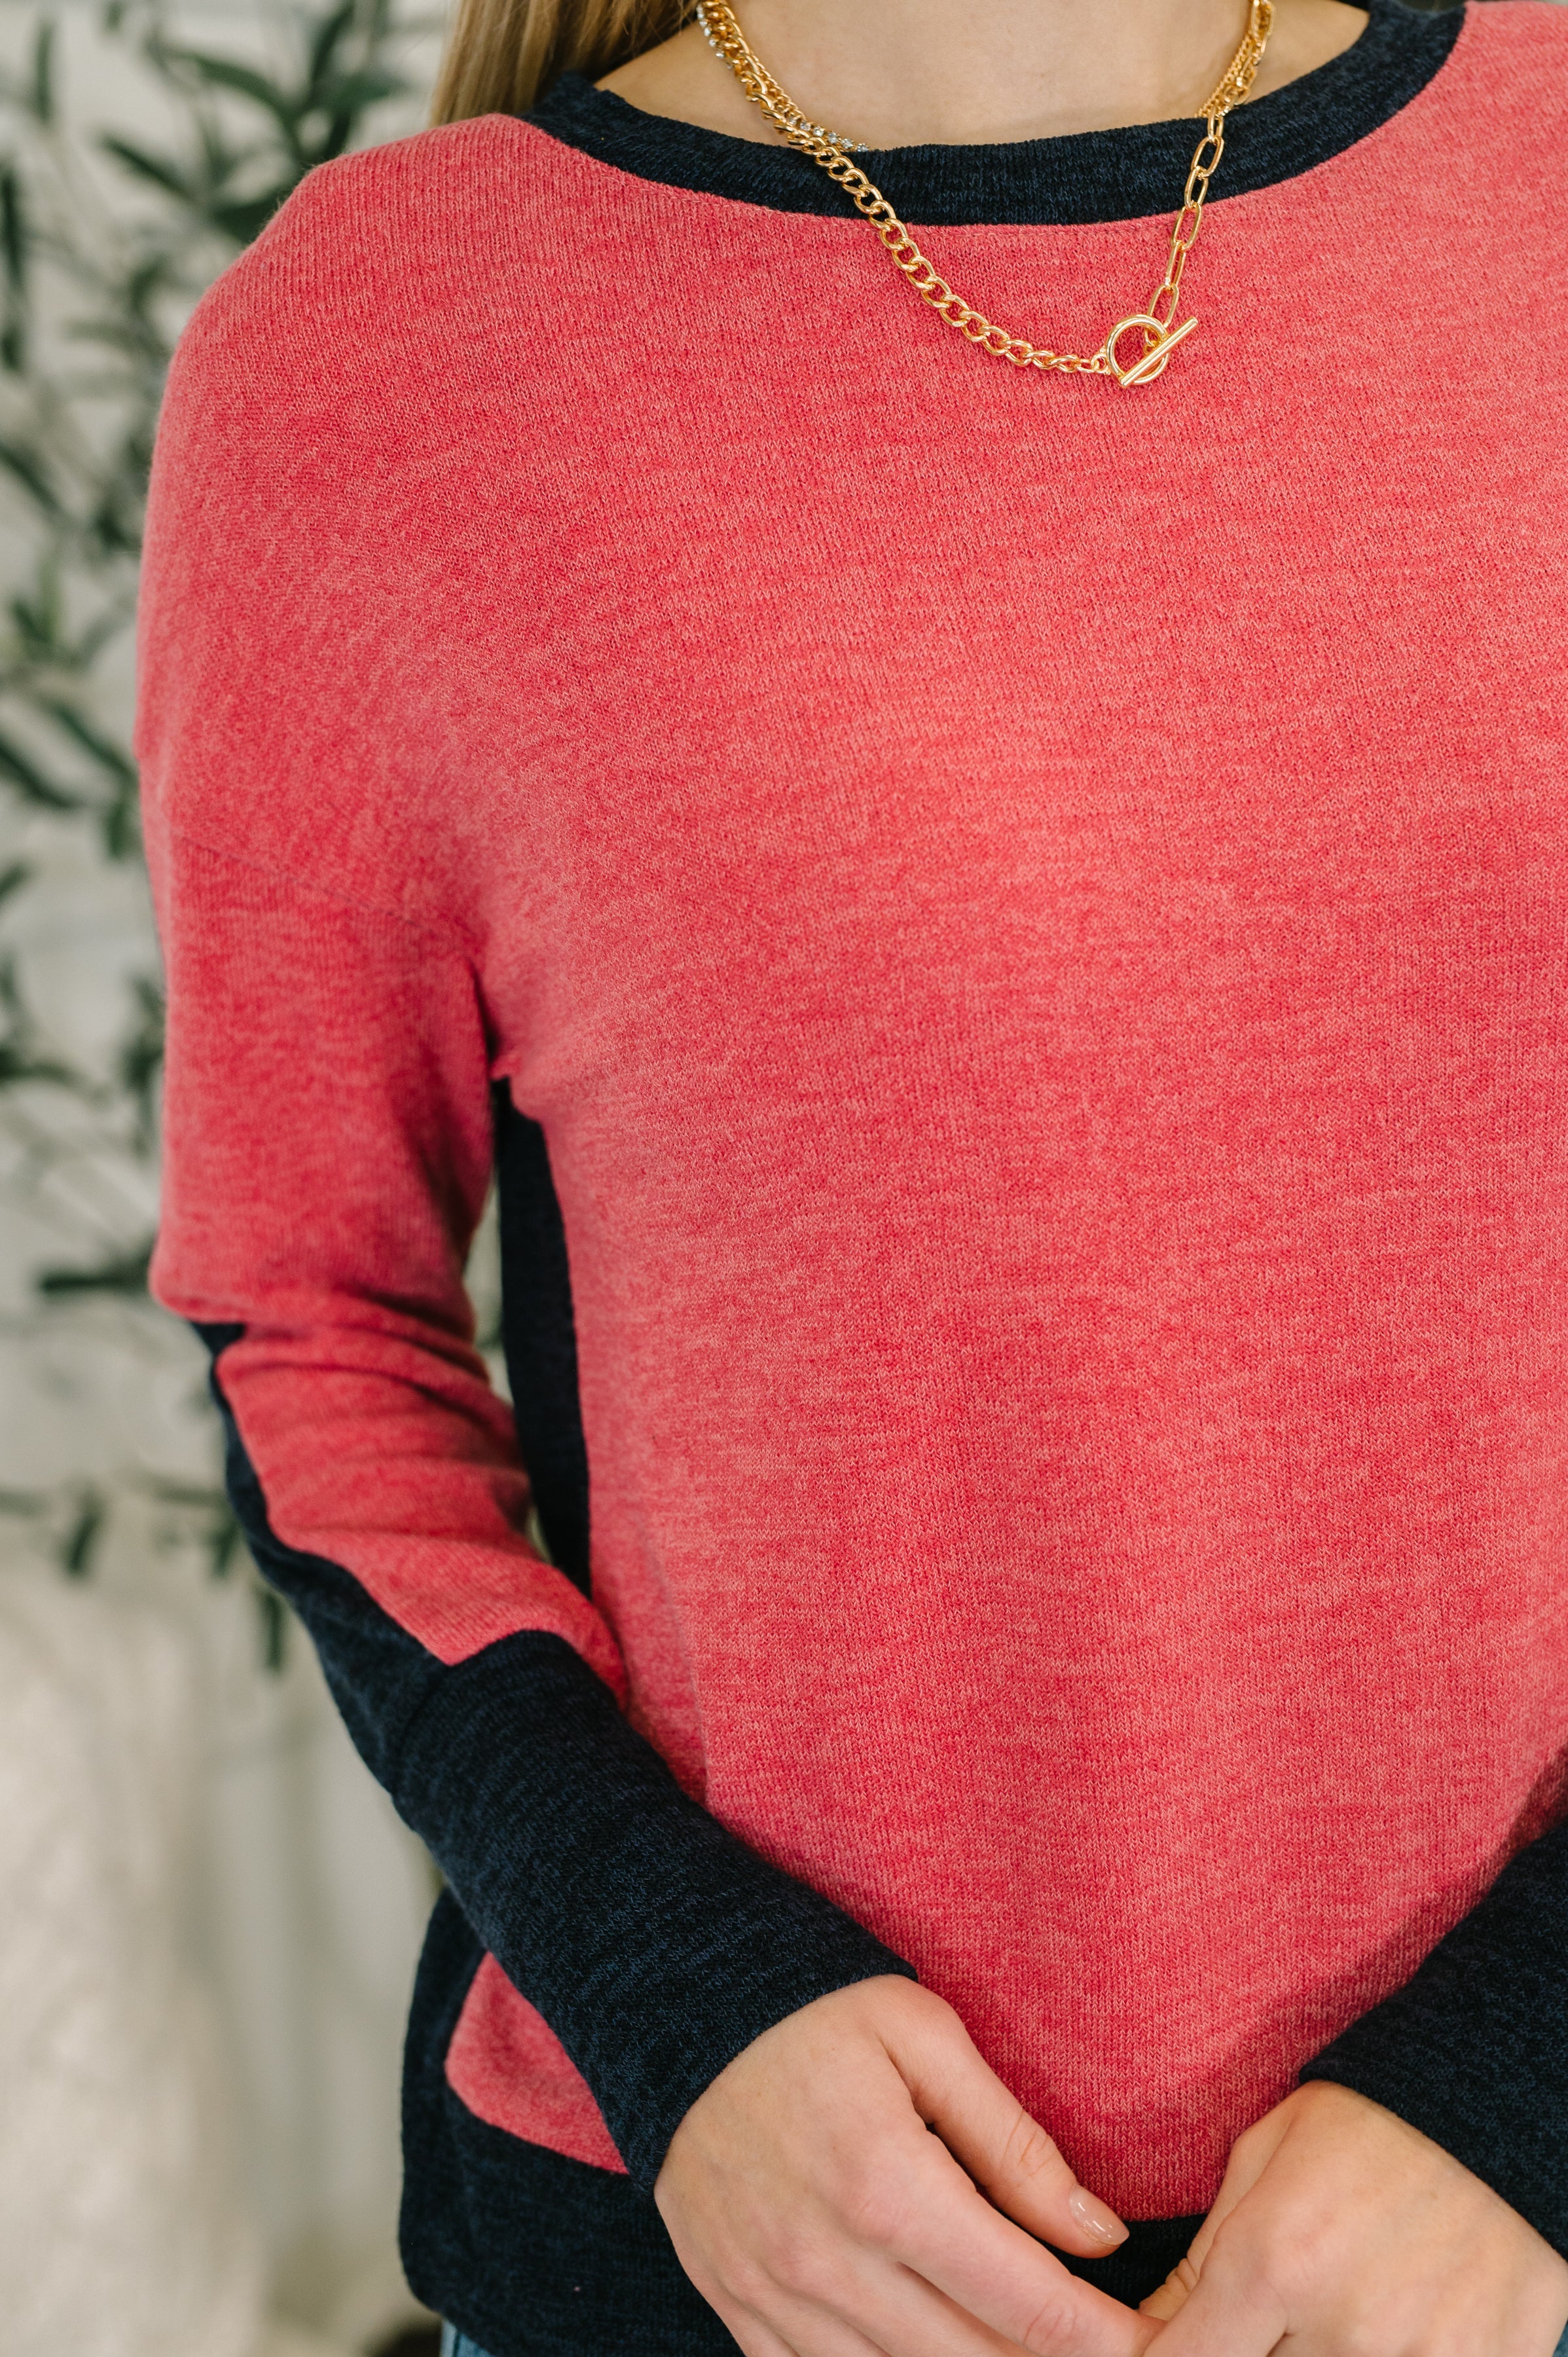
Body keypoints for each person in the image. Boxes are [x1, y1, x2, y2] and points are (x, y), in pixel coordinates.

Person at [136, 0, 1568, 2345]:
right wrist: (679, 2003)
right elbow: (310, 1325)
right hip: (739, 2262)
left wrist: (1528, 2084)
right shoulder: (376, 357)